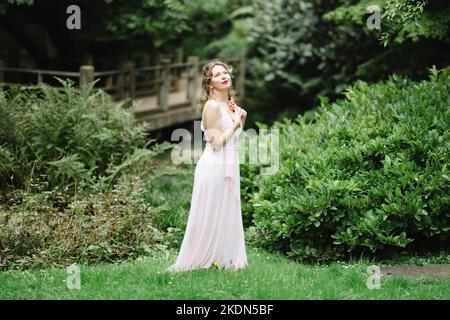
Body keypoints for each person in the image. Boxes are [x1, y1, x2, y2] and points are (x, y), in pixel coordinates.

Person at [165, 60, 248, 272]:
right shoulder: (211, 106)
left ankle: (225, 259)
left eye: (225, 72)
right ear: (210, 83)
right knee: (210, 213)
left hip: (230, 164)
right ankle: (201, 258)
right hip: (214, 167)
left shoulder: (231, 105)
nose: (224, 76)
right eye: (217, 74)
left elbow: (234, 138)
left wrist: (241, 118)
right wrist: (238, 123)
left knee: (227, 211)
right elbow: (217, 143)